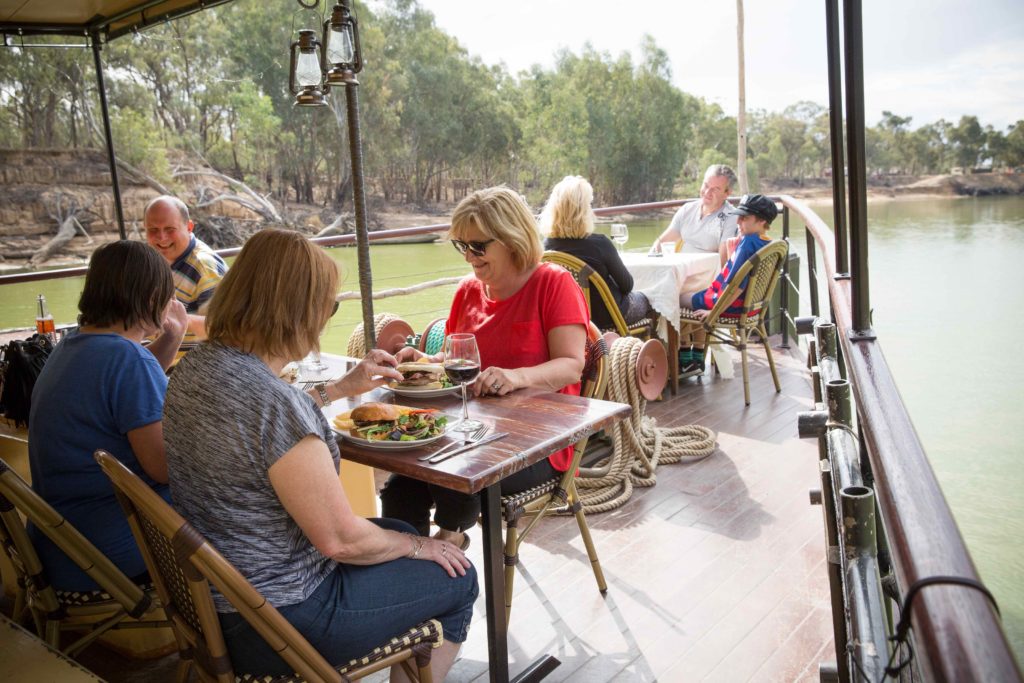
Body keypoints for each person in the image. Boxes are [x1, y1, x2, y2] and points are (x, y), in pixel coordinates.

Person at [162, 229, 477, 680]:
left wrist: (344, 388)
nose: (326, 319)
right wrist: (420, 545)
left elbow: (263, 428)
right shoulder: (273, 403)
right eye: (327, 306)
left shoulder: (196, 368)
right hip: (278, 620)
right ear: (297, 310)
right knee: (457, 573)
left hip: (214, 602)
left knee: (401, 529)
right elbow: (340, 541)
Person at [382, 186, 589, 550]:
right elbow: (456, 364)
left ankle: (448, 544)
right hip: (472, 430)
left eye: (478, 246)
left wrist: (516, 377)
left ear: (512, 239)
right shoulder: (467, 291)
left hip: (539, 441)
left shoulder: (553, 283)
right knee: (401, 486)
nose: (469, 257)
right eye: (462, 246)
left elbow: (572, 367)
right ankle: (410, 577)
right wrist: (424, 364)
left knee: (455, 475)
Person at [27, 240, 187, 591]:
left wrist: (171, 337)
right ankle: (237, 627)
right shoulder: (129, 361)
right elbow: (164, 468)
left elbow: (126, 394)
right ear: (151, 299)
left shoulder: (70, 346)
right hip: (107, 555)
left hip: (57, 547)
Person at [540, 175, 654, 331]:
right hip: (608, 318)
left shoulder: (546, 247)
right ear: (583, 211)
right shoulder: (600, 244)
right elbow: (627, 285)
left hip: (568, 320)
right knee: (651, 300)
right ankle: (644, 352)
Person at [143, 195, 227, 349]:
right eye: (153, 230)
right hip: (158, 356)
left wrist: (173, 318)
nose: (162, 238)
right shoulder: (152, 259)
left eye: (170, 229)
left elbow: (221, 329)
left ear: (189, 227)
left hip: (187, 367)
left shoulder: (205, 267)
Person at [681, 193, 777, 320]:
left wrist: (715, 312)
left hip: (728, 306)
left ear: (762, 220)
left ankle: (683, 339)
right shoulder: (768, 244)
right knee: (693, 292)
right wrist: (734, 255)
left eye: (744, 218)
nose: (738, 221)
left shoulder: (747, 243)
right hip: (751, 309)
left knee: (678, 297)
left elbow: (736, 285)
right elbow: (743, 275)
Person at [652, 164, 739, 267]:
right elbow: (661, 243)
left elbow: (722, 263)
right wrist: (649, 262)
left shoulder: (731, 217)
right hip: (678, 271)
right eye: (706, 185)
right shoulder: (687, 210)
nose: (707, 192)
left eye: (715, 189)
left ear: (727, 193)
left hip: (706, 277)